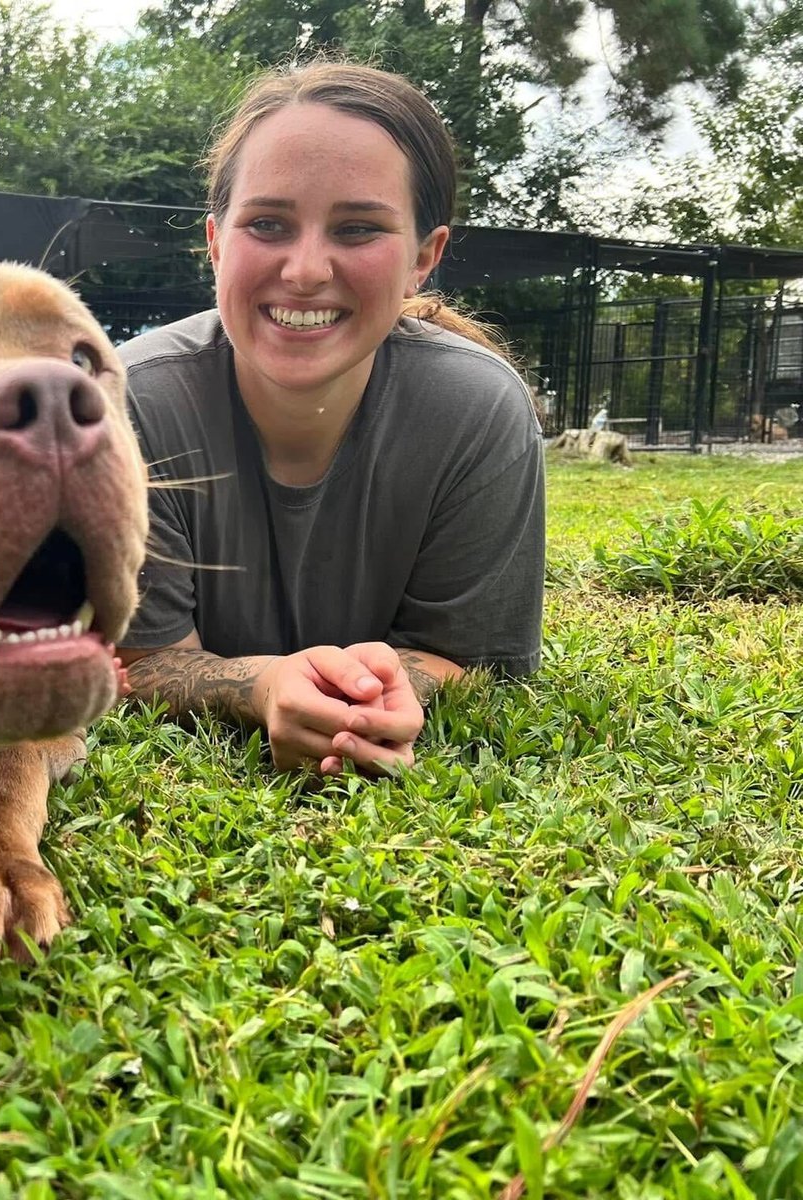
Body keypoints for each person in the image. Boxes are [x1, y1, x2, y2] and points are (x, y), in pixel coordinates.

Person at [116, 59, 545, 776]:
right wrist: (262, 689)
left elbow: (472, 659)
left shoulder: (479, 412)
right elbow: (141, 662)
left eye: (357, 228)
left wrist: (379, 693)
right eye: (268, 223)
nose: (307, 268)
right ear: (217, 244)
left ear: (423, 258)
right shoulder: (131, 403)